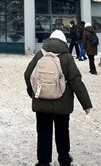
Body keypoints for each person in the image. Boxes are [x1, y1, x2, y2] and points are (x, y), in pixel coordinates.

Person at [24, 30, 92, 166]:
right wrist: (86, 104)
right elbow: (76, 81)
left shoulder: (39, 55)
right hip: (63, 104)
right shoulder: (67, 57)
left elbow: (27, 74)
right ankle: (64, 160)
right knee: (62, 132)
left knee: (43, 133)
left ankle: (43, 162)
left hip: (42, 102)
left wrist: (34, 94)